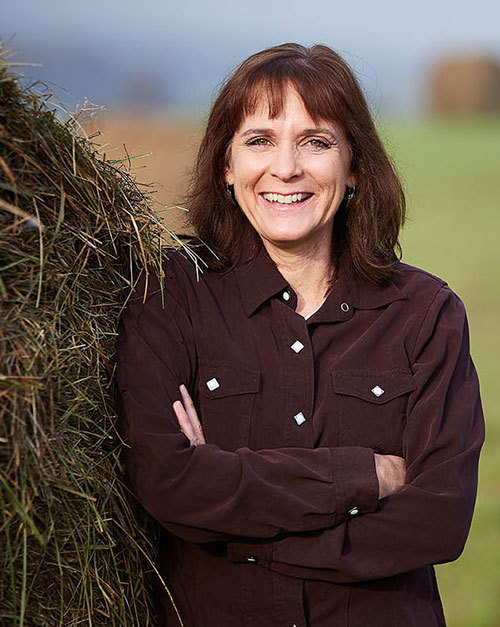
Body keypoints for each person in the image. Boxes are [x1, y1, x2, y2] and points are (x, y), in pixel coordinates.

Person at [116, 43, 484, 627]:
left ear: (355, 165)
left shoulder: (426, 314)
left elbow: (437, 520)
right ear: (225, 165)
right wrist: (366, 476)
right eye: (259, 140)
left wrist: (241, 522)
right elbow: (170, 484)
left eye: (315, 142)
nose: (285, 168)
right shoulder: (169, 295)